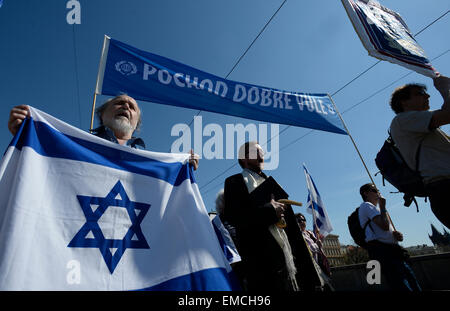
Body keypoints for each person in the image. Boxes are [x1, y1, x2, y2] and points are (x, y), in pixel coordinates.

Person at [222, 141, 321, 291]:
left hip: (289, 261)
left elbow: (292, 231)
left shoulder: (273, 185)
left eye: (263, 152)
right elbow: (236, 217)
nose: (262, 155)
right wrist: (269, 211)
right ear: (244, 158)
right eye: (257, 152)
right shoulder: (234, 182)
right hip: (262, 264)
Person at [7, 94, 199, 168]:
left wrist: (182, 167)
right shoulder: (72, 145)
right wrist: (27, 137)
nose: (126, 107)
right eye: (119, 103)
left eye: (131, 107)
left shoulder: (152, 161)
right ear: (102, 115)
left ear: (136, 122)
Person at [389, 75, 450, 228]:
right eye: (419, 93)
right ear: (404, 102)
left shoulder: (418, 123)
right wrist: (445, 89)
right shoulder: (402, 120)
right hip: (444, 187)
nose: (427, 95)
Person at [358, 183, 421, 291]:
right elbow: (385, 226)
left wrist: (395, 235)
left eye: (378, 190)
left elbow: (385, 229)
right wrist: (383, 207)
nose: (378, 192)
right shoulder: (366, 206)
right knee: (402, 283)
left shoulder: (375, 208)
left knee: (411, 281)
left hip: (392, 250)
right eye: (374, 190)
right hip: (384, 252)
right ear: (366, 193)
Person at [295, 212, 331, 278]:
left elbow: (319, 247)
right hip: (311, 267)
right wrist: (316, 245)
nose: (302, 222)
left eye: (303, 220)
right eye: (299, 221)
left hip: (320, 264)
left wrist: (319, 239)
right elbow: (304, 250)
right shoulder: (297, 235)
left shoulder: (310, 232)